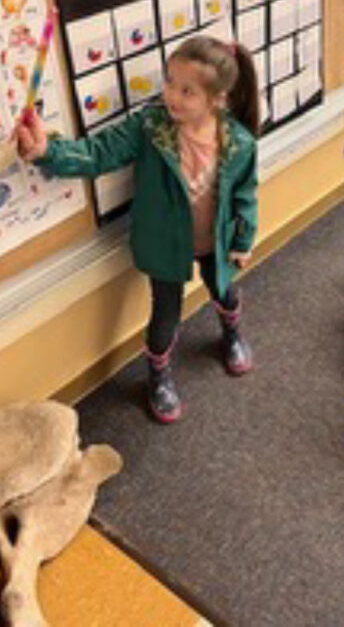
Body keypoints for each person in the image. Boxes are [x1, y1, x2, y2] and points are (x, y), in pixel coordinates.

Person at [15, 36, 260, 423]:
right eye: (169, 81)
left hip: (217, 242)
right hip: (165, 246)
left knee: (225, 292)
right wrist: (48, 151)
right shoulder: (150, 127)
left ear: (217, 98)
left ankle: (231, 333)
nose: (172, 96)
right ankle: (158, 376)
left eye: (187, 91)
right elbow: (99, 153)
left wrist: (243, 241)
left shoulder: (239, 143)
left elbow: (245, 195)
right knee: (165, 316)